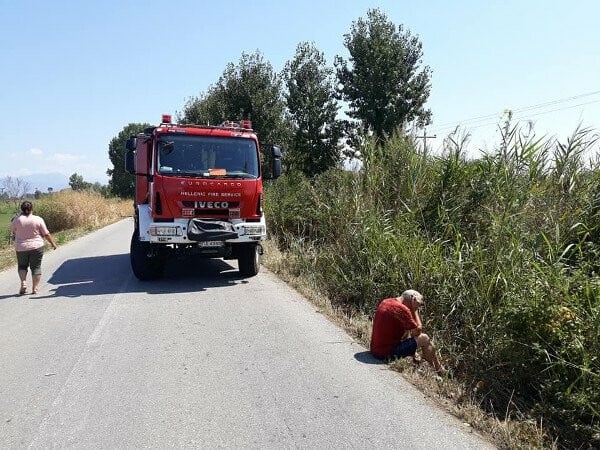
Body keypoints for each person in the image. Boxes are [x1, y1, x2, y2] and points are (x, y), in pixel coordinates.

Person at [370, 289, 447, 376]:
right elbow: (417, 332)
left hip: (375, 349)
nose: (418, 307)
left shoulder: (386, 301)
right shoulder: (402, 309)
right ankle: (440, 370)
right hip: (385, 354)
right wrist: (414, 310)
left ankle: (415, 356)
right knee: (424, 338)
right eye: (418, 305)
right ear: (412, 299)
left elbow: (408, 331)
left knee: (406, 329)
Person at [10, 201, 57, 295]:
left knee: (22, 266)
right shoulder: (38, 219)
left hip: (21, 247)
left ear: (21, 209)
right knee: (36, 267)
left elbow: (12, 230)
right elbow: (46, 233)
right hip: (37, 246)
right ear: (32, 209)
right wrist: (52, 243)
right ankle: (35, 288)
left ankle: (23, 282)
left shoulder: (16, 220)